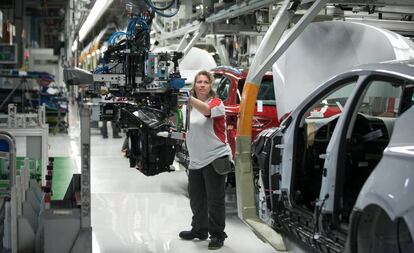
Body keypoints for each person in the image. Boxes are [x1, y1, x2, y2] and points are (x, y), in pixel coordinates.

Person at [179, 70, 231, 250]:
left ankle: (217, 235)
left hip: (215, 157)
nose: (201, 85)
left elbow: (207, 111)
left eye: (205, 82)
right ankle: (199, 229)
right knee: (196, 199)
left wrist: (188, 97)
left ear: (211, 86)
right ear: (194, 85)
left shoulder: (216, 103)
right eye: (198, 82)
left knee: (215, 199)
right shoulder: (187, 107)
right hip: (196, 159)